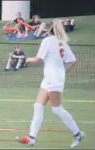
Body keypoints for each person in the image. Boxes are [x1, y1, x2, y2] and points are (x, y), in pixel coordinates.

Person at [15, 19, 85, 148]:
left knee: (57, 109)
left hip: (53, 78)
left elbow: (38, 59)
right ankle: (31, 137)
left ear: (48, 30)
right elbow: (73, 61)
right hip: (51, 78)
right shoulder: (62, 42)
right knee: (38, 106)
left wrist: (28, 59)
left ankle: (78, 133)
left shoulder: (47, 41)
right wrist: (62, 72)